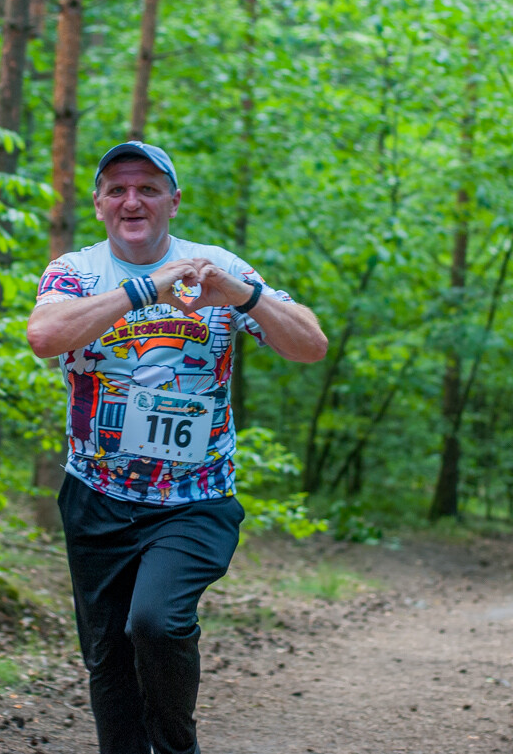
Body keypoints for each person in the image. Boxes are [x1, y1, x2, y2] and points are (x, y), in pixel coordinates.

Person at [27, 141, 328, 754]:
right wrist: (145, 291)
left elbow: (311, 345)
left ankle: (176, 747)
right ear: (98, 204)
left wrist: (243, 297)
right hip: (95, 494)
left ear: (173, 201)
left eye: (147, 188)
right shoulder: (76, 271)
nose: (131, 201)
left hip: (195, 497)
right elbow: (45, 335)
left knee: (156, 622)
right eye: (117, 189)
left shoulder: (216, 266)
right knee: (108, 657)